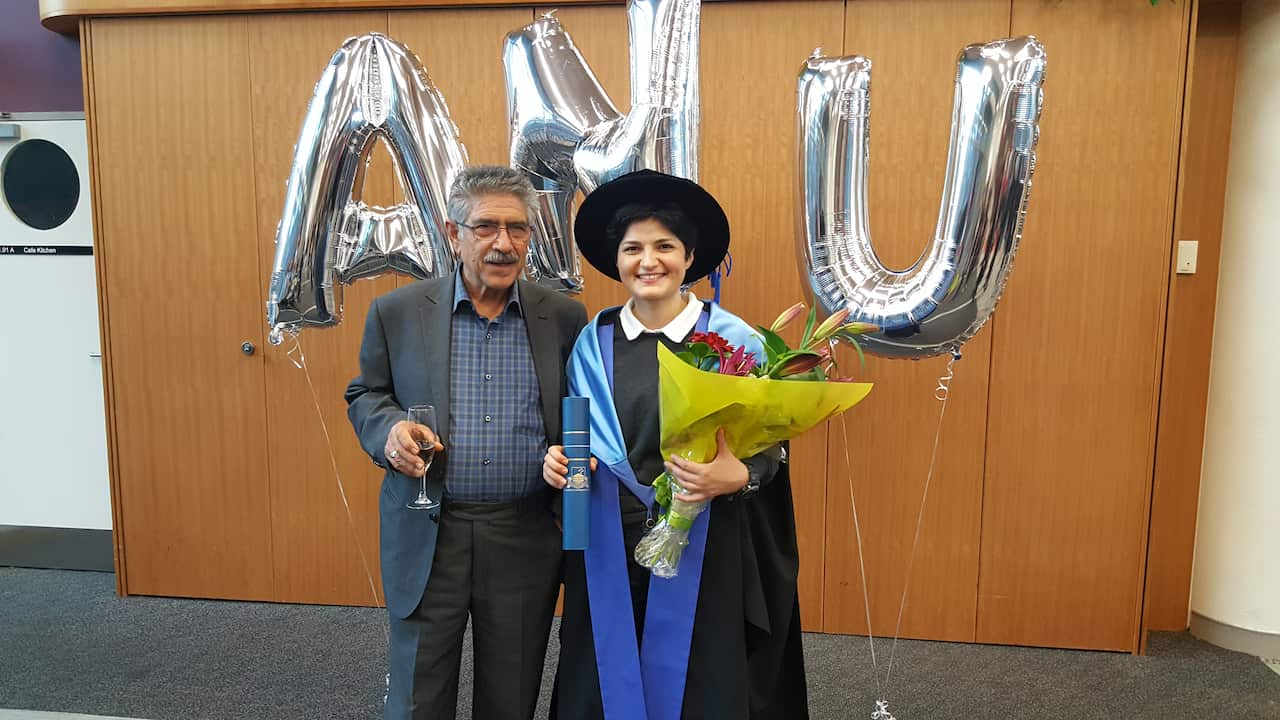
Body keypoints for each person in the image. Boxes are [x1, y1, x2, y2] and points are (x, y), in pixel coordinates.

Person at [542, 170, 809, 719]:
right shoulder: (593, 344)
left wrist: (743, 475)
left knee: (703, 682)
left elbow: (768, 446)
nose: (649, 261)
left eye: (665, 246)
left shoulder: (736, 342)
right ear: (616, 261)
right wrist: (558, 461)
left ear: (690, 257)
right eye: (633, 248)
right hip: (609, 542)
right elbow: (576, 440)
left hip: (708, 540)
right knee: (605, 676)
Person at [346, 165, 587, 720]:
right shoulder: (398, 312)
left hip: (524, 534)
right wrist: (389, 434)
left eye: (517, 228)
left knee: (511, 693)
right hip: (431, 528)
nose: (503, 243)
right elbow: (367, 394)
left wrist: (572, 459)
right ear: (453, 235)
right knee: (417, 696)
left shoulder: (565, 317)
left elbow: (584, 412)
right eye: (485, 227)